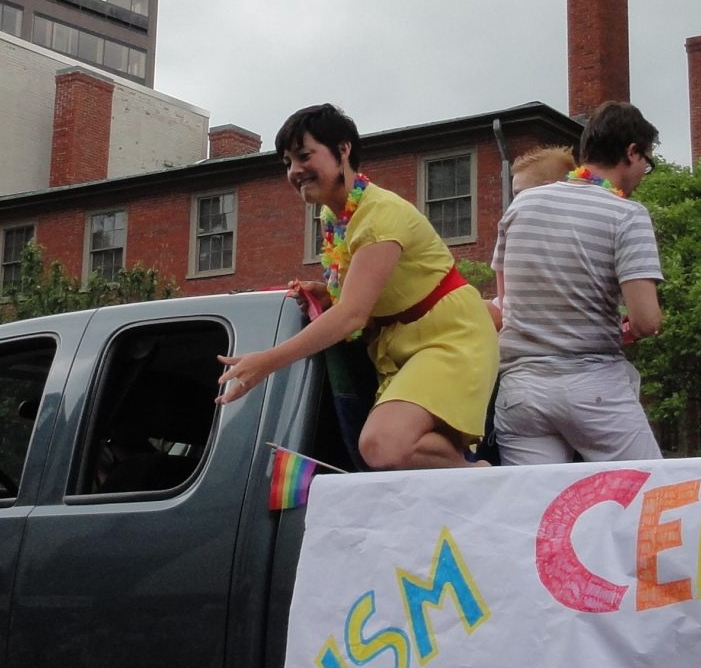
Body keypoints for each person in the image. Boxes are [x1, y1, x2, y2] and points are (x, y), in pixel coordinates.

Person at [217, 104, 499, 469]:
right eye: (287, 162)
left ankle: (476, 475)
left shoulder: (380, 216)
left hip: (450, 337)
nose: (294, 171)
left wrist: (266, 362)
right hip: (398, 347)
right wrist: (329, 293)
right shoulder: (333, 216)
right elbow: (359, 296)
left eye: (304, 156)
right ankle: (466, 478)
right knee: (392, 450)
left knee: (382, 445)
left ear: (343, 150)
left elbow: (352, 315)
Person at [488, 102, 665, 464]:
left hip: (522, 391)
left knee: (537, 499)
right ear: (632, 152)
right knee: (647, 491)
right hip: (595, 388)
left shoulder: (521, 206)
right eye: (646, 162)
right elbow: (646, 321)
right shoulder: (627, 215)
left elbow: (507, 304)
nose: (644, 172)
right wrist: (630, 327)